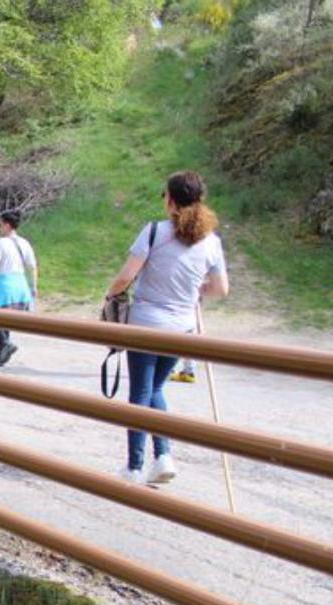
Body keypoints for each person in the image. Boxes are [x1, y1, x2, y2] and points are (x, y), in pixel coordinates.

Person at [105, 170, 229, 485]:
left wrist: (110, 295)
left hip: (146, 324)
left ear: (170, 200)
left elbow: (125, 277)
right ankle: (163, 456)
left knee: (141, 394)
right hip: (182, 328)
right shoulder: (210, 241)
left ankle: (134, 467)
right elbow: (220, 289)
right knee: (156, 389)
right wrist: (196, 290)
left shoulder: (154, 232)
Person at [0, 210, 37, 367]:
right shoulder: (25, 243)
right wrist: (33, 287)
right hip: (21, 285)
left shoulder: (1, 243)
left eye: (1, 224)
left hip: (4, 285)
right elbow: (33, 267)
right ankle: (0, 354)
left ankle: (5, 342)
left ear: (7, 225)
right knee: (5, 319)